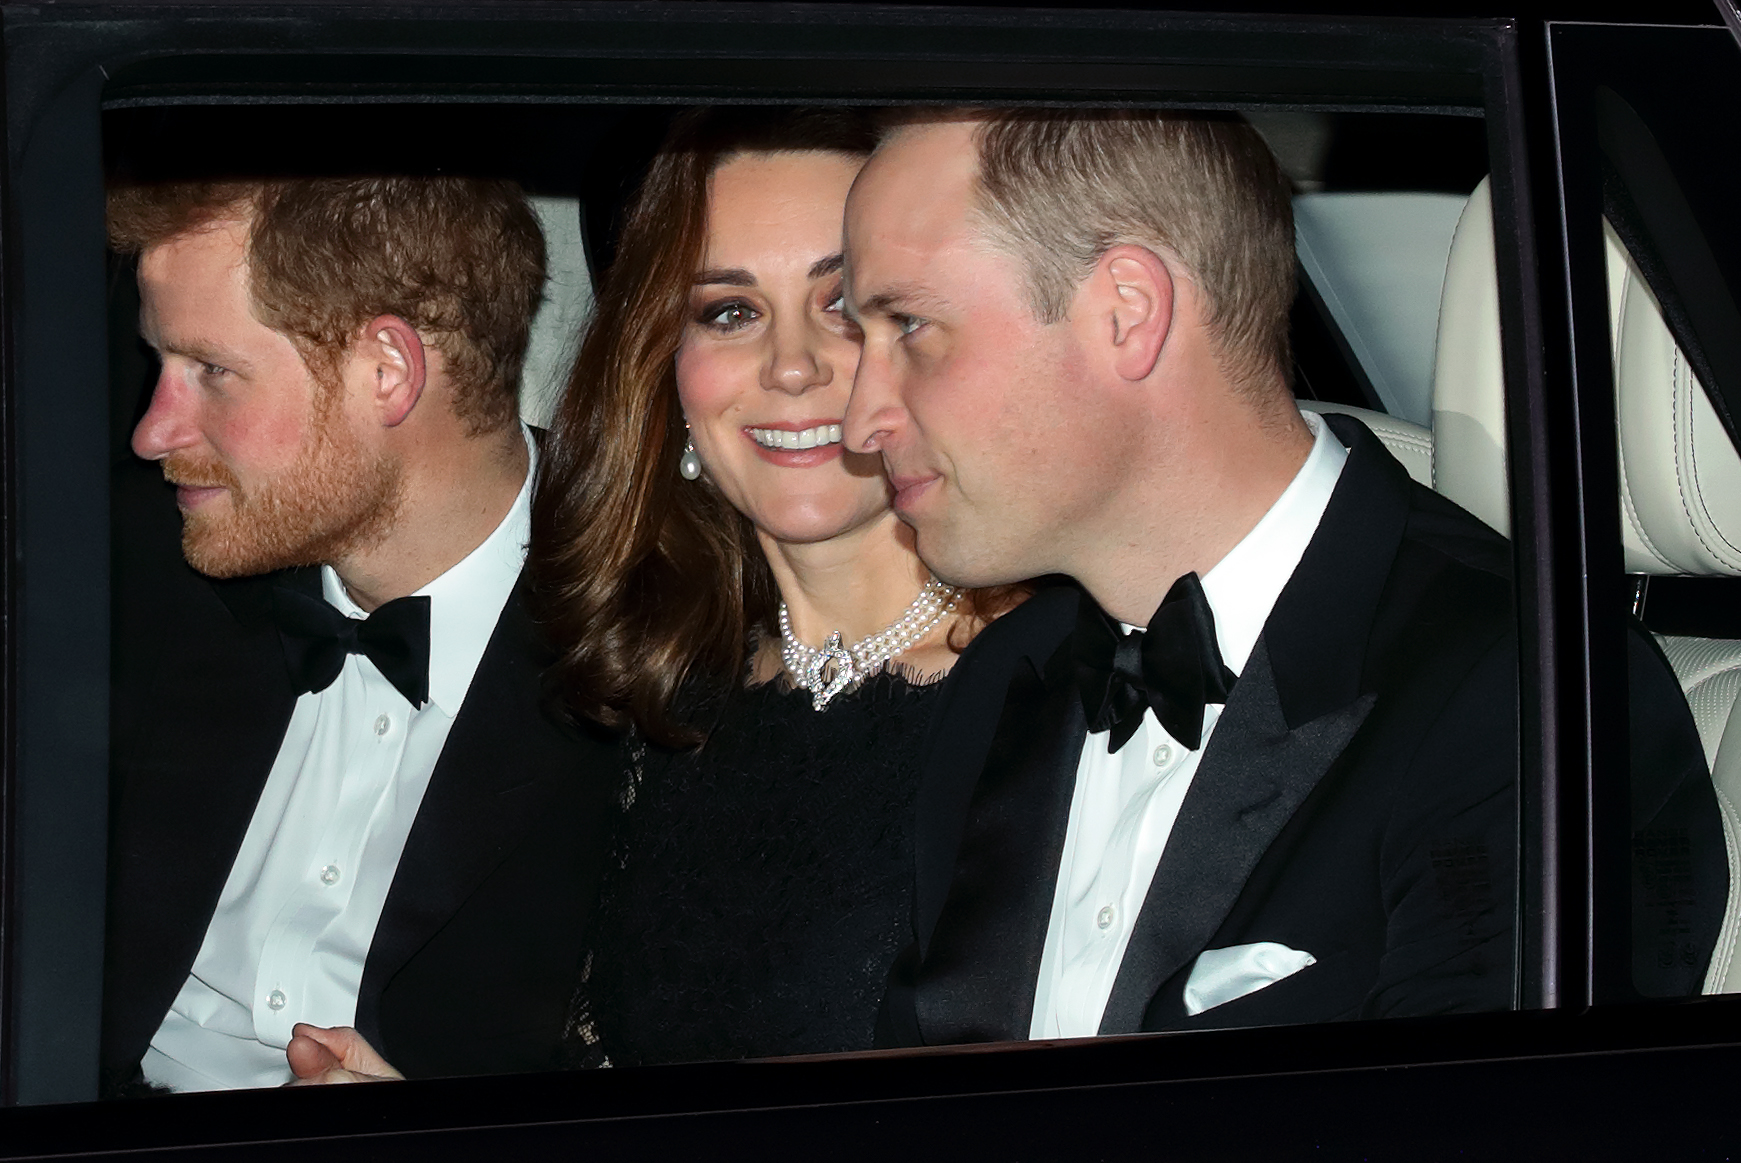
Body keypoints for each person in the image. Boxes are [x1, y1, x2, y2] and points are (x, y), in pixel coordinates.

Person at [839, 109, 1727, 1044]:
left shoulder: (1531, 702)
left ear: (1125, 314)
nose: (859, 422)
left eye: (909, 326)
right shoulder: (1007, 678)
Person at [286, 106, 1018, 1082]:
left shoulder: (1055, 694)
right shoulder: (647, 696)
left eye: (843, 304)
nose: (791, 365)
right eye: (728, 310)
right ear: (664, 372)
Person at [102, 176, 618, 1094]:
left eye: (211, 371)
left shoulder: (671, 634)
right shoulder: (122, 564)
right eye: (159, 366)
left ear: (388, 370)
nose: (152, 431)